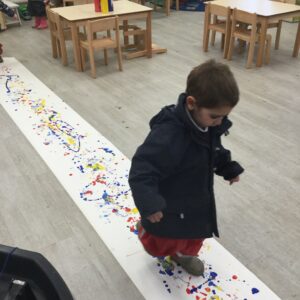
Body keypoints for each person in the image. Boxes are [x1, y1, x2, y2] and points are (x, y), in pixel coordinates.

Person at [129, 59, 244, 276]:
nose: (220, 122)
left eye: (224, 116)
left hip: (197, 198)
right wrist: (149, 203)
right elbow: (142, 170)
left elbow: (213, 149)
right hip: (169, 201)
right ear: (191, 103)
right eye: (215, 116)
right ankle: (146, 229)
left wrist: (227, 167)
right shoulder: (169, 134)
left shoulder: (208, 124)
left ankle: (184, 255)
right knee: (160, 242)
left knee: (193, 235)